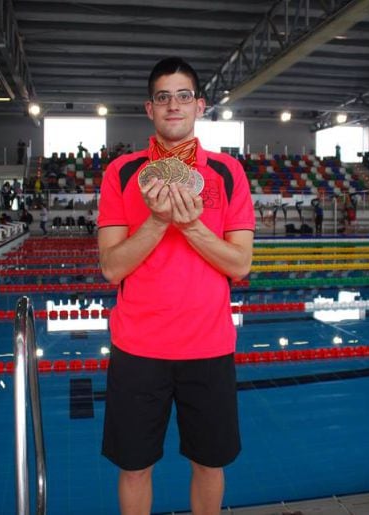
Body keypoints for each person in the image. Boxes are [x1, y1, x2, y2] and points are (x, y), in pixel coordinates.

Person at [97, 57, 255, 515]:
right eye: (163, 97)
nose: (173, 105)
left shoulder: (227, 173)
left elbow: (240, 264)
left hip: (208, 346)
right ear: (149, 108)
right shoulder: (122, 173)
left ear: (199, 106)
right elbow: (111, 268)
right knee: (134, 467)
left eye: (183, 95)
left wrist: (191, 228)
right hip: (138, 346)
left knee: (209, 464)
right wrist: (156, 221)